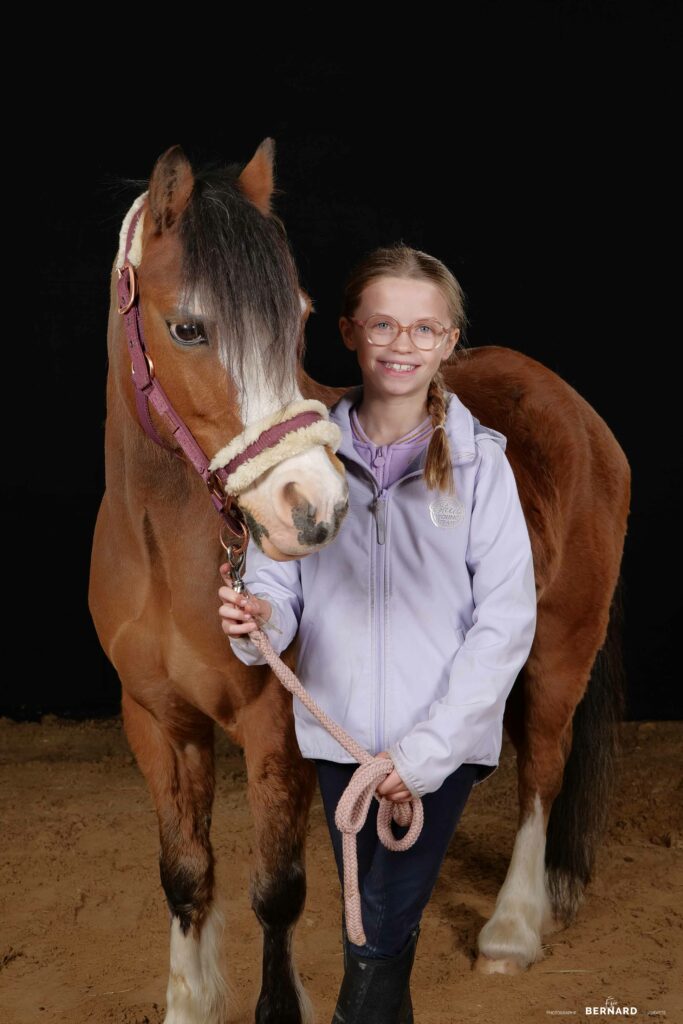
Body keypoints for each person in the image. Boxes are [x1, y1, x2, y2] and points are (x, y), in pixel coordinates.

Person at [218, 244, 538, 1024]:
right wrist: (255, 619)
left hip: (435, 751)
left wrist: (422, 755)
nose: (403, 345)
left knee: (374, 938)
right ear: (350, 333)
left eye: (424, 329)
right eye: (384, 325)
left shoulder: (480, 467)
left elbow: (504, 622)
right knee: (378, 931)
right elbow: (276, 586)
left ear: (449, 340)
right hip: (340, 742)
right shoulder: (304, 462)